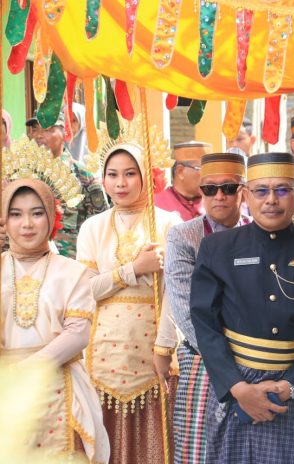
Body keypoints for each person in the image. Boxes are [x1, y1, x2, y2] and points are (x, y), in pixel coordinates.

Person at [190, 152, 294, 463]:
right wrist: (237, 388)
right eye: (261, 190)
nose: (271, 200)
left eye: (282, 190)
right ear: (247, 195)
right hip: (235, 385)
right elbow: (204, 322)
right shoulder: (217, 248)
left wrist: (290, 386)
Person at [76, 142, 180, 464]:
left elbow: (175, 294)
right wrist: (133, 270)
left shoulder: (168, 223)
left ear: (147, 176)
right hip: (102, 353)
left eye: (130, 174)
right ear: (103, 180)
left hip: (153, 352)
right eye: (113, 175)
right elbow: (86, 291)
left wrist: (165, 349)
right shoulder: (92, 228)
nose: (121, 183)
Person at [0, 171, 110, 462]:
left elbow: (77, 335)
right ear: (4, 220)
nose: (26, 224)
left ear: (51, 216)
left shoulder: (73, 272)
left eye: (37, 213)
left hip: (59, 388)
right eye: (15, 214)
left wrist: (25, 371)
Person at [164, 151, 251, 464]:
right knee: (199, 453)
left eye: (228, 188)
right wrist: (229, 366)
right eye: (209, 189)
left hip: (257, 358)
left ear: (244, 190)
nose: (219, 196)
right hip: (203, 359)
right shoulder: (184, 236)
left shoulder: (259, 231)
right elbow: (186, 313)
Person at [33, 111, 108, 258]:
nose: (39, 135)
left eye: (47, 129)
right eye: (35, 129)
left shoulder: (84, 177)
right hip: (32, 267)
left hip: (71, 265)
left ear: (65, 134)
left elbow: (101, 226)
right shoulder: (24, 176)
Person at [155, 141, 209, 221]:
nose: (208, 176)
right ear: (180, 171)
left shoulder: (214, 201)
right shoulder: (158, 204)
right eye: (202, 169)